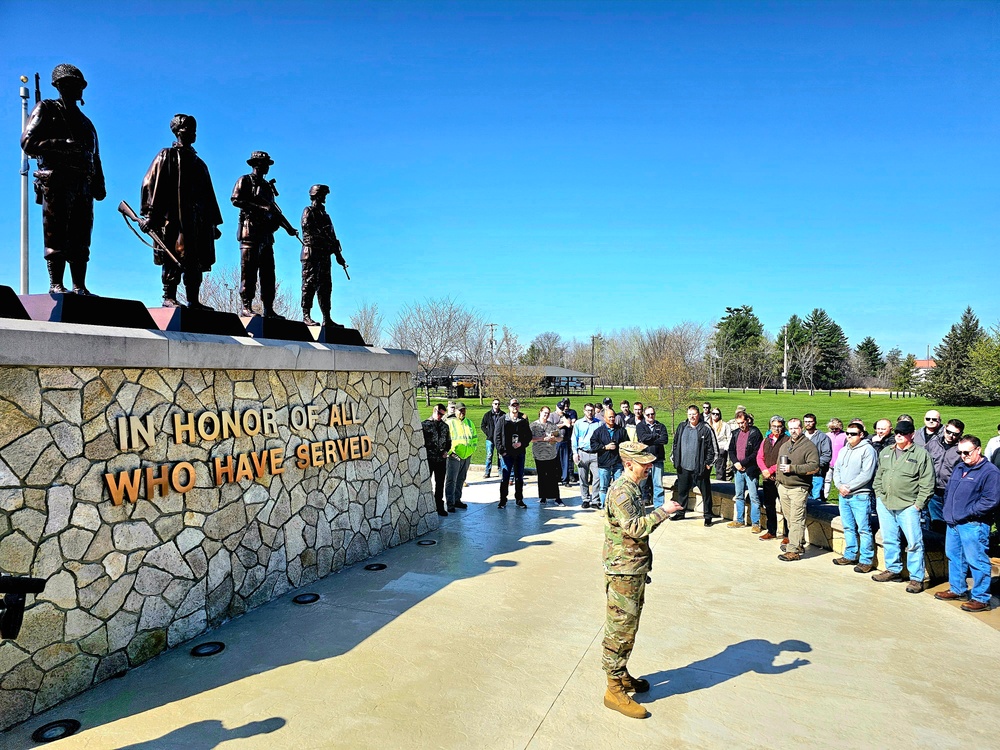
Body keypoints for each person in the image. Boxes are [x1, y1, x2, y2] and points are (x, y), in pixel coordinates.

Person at [601, 442, 684, 719]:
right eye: (643, 463)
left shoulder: (634, 487)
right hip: (623, 570)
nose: (649, 466)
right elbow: (635, 527)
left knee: (629, 626)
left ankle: (621, 673)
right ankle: (613, 689)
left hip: (633, 568)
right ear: (628, 464)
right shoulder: (622, 491)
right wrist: (664, 511)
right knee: (620, 628)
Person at [21, 63, 106, 295]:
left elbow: (95, 156)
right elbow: (28, 143)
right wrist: (62, 145)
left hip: (83, 185)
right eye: (73, 84)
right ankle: (56, 284)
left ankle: (80, 285)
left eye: (80, 85)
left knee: (81, 236)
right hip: (57, 181)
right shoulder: (46, 109)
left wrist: (99, 182)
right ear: (60, 86)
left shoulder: (87, 123)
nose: (79, 89)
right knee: (56, 233)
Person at [139, 114, 222, 309]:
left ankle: (193, 299)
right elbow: (150, 183)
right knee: (173, 256)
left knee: (195, 260)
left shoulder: (200, 164)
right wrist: (150, 214)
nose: (193, 134)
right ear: (177, 131)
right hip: (174, 219)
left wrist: (212, 223)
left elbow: (208, 195)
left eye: (194, 130)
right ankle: (169, 296)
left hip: (196, 220)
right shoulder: (166, 155)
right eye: (188, 129)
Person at [935, 436, 1000, 613]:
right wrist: (949, 511)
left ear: (978, 450)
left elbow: (991, 500)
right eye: (960, 452)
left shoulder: (990, 472)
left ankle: (981, 598)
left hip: (973, 524)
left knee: (977, 560)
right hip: (953, 523)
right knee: (954, 557)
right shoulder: (960, 467)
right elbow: (949, 492)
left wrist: (968, 512)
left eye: (967, 452)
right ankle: (957, 589)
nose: (963, 456)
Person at [231, 151, 297, 318]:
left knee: (268, 273)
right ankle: (247, 306)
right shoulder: (244, 180)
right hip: (250, 232)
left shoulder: (267, 187)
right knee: (249, 271)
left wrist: (288, 227)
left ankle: (269, 308)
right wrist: (260, 208)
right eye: (265, 164)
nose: (267, 167)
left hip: (266, 235)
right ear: (256, 164)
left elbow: (274, 211)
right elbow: (236, 200)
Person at [872, 420, 935, 593]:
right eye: (897, 432)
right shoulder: (886, 452)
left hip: (908, 506)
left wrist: (918, 505)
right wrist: (879, 494)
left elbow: (927, 483)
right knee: (890, 538)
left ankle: (916, 578)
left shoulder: (921, 455)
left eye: (904, 432)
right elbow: (879, 476)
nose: (899, 435)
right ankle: (893, 570)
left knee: (914, 542)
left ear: (912, 434)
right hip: (885, 503)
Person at [832, 421, 878, 572]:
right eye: (848, 433)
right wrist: (839, 486)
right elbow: (836, 469)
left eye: (853, 434)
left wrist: (849, 487)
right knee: (848, 527)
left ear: (861, 435)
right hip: (843, 495)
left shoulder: (868, 450)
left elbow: (867, 474)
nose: (850, 436)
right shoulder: (844, 450)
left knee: (864, 529)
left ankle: (866, 560)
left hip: (860, 495)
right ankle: (850, 554)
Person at [300, 184, 346, 326]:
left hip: (324, 255)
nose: (324, 198)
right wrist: (325, 239)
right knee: (309, 284)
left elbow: (333, 236)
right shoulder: (308, 211)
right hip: (312, 253)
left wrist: (338, 255)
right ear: (316, 196)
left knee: (326, 287)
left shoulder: (326, 216)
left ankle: (327, 318)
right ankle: (306, 315)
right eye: (322, 195)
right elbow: (308, 230)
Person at [774, 418, 820, 561]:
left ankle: (793, 550)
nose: (793, 431)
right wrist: (778, 482)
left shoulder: (809, 446)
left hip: (798, 488)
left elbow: (814, 467)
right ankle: (798, 543)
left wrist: (792, 469)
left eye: (796, 428)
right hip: (783, 487)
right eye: (791, 428)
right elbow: (778, 465)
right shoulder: (785, 446)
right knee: (789, 518)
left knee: (796, 519)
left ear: (801, 429)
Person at [670, 405, 717, 526]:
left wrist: (708, 464)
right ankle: (680, 513)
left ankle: (708, 516)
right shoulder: (681, 426)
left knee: (706, 493)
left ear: (699, 415)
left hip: (700, 468)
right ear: (687, 415)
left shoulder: (705, 428)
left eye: (694, 414)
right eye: (690, 414)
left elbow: (713, 449)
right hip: (683, 466)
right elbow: (675, 444)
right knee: (682, 492)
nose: (692, 416)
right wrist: (674, 458)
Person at [925, 418, 964, 527]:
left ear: (961, 434)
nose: (951, 436)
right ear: (945, 428)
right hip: (933, 490)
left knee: (952, 521)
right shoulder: (933, 443)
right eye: (949, 432)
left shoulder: (962, 449)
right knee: (936, 521)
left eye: (955, 434)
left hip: (951, 491)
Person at [728, 410, 763, 530]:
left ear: (747, 420)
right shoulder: (735, 433)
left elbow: (756, 453)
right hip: (738, 470)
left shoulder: (755, 433)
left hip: (750, 470)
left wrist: (743, 463)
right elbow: (731, 450)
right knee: (739, 495)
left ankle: (755, 523)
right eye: (738, 423)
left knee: (754, 496)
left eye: (742, 422)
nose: (741, 425)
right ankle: (739, 520)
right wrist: (736, 463)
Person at [756, 416, 789, 541]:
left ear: (783, 427)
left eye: (779, 426)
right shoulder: (766, 440)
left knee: (785, 507)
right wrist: (764, 470)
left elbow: (784, 459)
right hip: (767, 480)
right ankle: (771, 531)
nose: (776, 429)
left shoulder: (787, 440)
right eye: (774, 426)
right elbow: (759, 457)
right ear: (770, 427)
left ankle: (788, 535)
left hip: (781, 480)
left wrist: (770, 470)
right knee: (769, 506)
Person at [494, 398, 532, 509]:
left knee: (519, 477)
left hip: (519, 453)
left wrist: (521, 443)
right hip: (507, 454)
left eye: (517, 405)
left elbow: (528, 436)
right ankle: (503, 500)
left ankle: (519, 500)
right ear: (509, 407)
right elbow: (497, 436)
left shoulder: (523, 420)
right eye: (513, 405)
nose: (515, 407)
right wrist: (502, 451)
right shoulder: (502, 420)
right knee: (505, 478)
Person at [591, 408, 629, 510]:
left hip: (617, 463)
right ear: (604, 418)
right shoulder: (598, 432)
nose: (612, 419)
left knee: (618, 488)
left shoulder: (621, 431)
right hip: (604, 463)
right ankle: (605, 507)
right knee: (603, 487)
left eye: (613, 417)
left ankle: (618, 509)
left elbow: (627, 445)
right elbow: (593, 446)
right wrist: (605, 447)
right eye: (610, 417)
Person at [444, 402, 477, 512]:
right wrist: (450, 452)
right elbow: (445, 440)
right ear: (456, 411)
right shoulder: (450, 423)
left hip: (466, 455)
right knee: (451, 480)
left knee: (461, 479)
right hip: (454, 456)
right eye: (460, 410)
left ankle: (457, 500)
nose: (462, 412)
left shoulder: (469, 423)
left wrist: (472, 450)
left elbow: (475, 438)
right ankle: (450, 502)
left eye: (464, 410)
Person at [635, 405, 669, 508]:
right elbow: (643, 438)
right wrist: (655, 436)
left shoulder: (661, 426)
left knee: (658, 484)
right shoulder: (640, 426)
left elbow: (664, 440)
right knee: (641, 483)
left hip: (657, 459)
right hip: (644, 459)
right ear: (644, 415)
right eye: (648, 414)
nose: (651, 416)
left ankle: (659, 507)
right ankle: (639, 505)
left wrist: (650, 440)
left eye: (652, 414)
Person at [421, 404, 451, 516]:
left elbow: (448, 441)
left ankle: (439, 506)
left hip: (441, 460)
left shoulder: (445, 426)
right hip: (429, 459)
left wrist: (446, 451)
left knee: (440, 484)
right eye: (439, 414)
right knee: (426, 483)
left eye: (442, 415)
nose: (440, 416)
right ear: (434, 411)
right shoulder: (425, 425)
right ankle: (425, 506)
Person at [531, 406, 563, 505]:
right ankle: (543, 497)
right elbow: (529, 439)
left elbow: (560, 438)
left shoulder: (552, 425)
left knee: (553, 477)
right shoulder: (533, 425)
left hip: (551, 455)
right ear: (540, 412)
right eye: (544, 413)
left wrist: (554, 438)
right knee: (542, 477)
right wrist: (541, 438)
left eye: (548, 413)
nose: (546, 415)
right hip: (539, 454)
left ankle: (556, 497)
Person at [573, 403, 603, 508]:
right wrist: (575, 453)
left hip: (595, 454)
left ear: (594, 411)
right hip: (582, 453)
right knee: (583, 477)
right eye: (588, 410)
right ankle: (585, 499)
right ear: (584, 411)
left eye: (592, 410)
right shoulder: (578, 423)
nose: (590, 412)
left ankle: (595, 500)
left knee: (597, 477)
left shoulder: (599, 424)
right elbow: (574, 438)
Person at [802, 414, 832, 503]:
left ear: (815, 422)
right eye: (806, 422)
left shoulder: (823, 437)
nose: (808, 424)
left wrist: (814, 466)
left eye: (810, 421)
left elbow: (827, 455)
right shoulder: (801, 436)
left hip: (817, 474)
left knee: (817, 498)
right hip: (802, 473)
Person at [480, 399, 505, 479]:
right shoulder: (487, 415)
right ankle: (487, 472)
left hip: (500, 439)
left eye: (498, 404)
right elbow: (483, 426)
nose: (497, 405)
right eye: (495, 404)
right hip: (490, 439)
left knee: (500, 455)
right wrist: (489, 433)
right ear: (492, 404)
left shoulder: (503, 415)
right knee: (489, 455)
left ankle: (500, 471)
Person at [824, 418, 847, 500]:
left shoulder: (845, 436)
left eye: (836, 429)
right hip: (829, 462)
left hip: (840, 463)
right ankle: (825, 496)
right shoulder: (827, 435)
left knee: (841, 481)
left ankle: (842, 496)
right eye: (832, 429)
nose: (834, 431)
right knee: (827, 480)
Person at [707, 407, 732, 480]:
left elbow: (729, 437)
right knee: (707, 468)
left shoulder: (725, 425)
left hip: (721, 448)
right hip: (710, 449)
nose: (715, 415)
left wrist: (725, 448)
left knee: (720, 470)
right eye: (713, 413)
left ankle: (721, 486)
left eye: (717, 414)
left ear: (720, 415)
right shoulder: (707, 424)